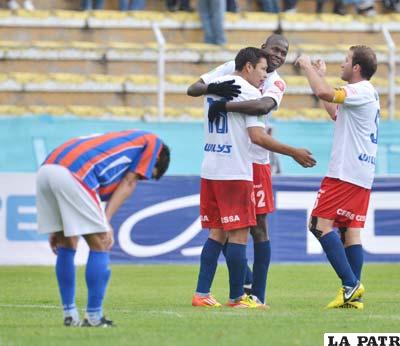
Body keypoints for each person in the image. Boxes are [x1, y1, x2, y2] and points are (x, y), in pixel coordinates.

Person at [187, 34, 316, 307]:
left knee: (232, 230)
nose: (279, 57)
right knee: (240, 232)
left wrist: (222, 101)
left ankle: (243, 292)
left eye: (284, 53)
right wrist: (294, 152)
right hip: (241, 164)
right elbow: (256, 119)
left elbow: (263, 104)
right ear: (258, 55)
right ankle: (240, 295)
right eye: (275, 51)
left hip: (222, 164)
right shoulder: (245, 82)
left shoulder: (267, 80)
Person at [36, 130, 170, 326]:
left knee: (66, 242)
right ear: (158, 159)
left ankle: (69, 315)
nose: (142, 177)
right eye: (146, 175)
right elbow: (129, 181)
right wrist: (105, 221)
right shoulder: (153, 143)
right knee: (101, 242)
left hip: (47, 169)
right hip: (74, 172)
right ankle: (94, 317)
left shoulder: (118, 142)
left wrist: (57, 229)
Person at [295, 45, 379, 309]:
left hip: (345, 172)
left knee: (319, 225)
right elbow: (334, 111)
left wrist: (308, 66)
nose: (342, 64)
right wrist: (322, 74)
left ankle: (350, 284)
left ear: (356, 68)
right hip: (361, 173)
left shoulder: (361, 89)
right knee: (349, 232)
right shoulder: (365, 94)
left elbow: (323, 90)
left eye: (346, 61)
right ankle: (354, 297)